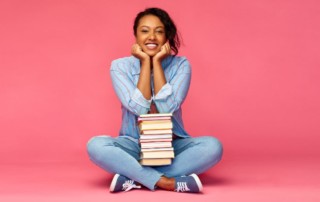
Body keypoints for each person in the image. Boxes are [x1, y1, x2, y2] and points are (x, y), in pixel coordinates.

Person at [87, 7, 223, 193]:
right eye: (145, 31)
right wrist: (145, 62)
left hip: (171, 144)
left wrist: (156, 63)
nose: (152, 37)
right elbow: (140, 109)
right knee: (95, 146)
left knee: (213, 147)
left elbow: (167, 108)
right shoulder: (119, 66)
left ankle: (134, 178)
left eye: (159, 31)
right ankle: (167, 182)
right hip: (134, 144)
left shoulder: (181, 65)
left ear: (166, 36)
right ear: (135, 35)